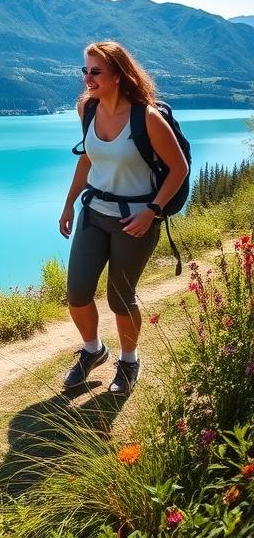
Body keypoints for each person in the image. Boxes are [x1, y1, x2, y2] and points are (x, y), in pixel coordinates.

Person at [59, 41, 189, 395]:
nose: (87, 78)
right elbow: (88, 158)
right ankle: (93, 351)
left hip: (136, 220)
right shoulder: (87, 108)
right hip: (95, 212)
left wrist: (153, 211)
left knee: (120, 297)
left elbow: (179, 168)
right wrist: (69, 203)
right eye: (84, 70)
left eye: (95, 71)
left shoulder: (146, 117)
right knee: (77, 293)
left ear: (118, 75)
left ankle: (129, 360)